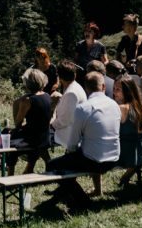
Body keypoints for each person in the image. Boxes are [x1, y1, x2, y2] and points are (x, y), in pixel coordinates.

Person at [45, 71, 121, 204]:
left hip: (94, 161)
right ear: (103, 87)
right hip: (114, 157)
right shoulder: (114, 105)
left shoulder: (83, 108)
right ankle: (65, 194)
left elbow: (72, 144)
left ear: (86, 88)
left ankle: (81, 200)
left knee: (52, 165)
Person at [8, 68, 53, 174]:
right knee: (32, 139)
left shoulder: (27, 100)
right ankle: (31, 167)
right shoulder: (47, 96)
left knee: (11, 140)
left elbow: (18, 122)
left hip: (33, 138)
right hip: (45, 135)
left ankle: (10, 173)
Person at [113, 74, 142, 186]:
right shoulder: (141, 107)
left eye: (118, 89)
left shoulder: (122, 108)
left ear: (127, 91)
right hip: (139, 154)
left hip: (125, 155)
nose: (114, 92)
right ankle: (124, 179)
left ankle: (97, 190)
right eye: (114, 88)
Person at [51, 60, 86, 150]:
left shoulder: (71, 93)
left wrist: (51, 125)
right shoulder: (75, 86)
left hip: (69, 135)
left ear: (60, 77)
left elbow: (65, 120)